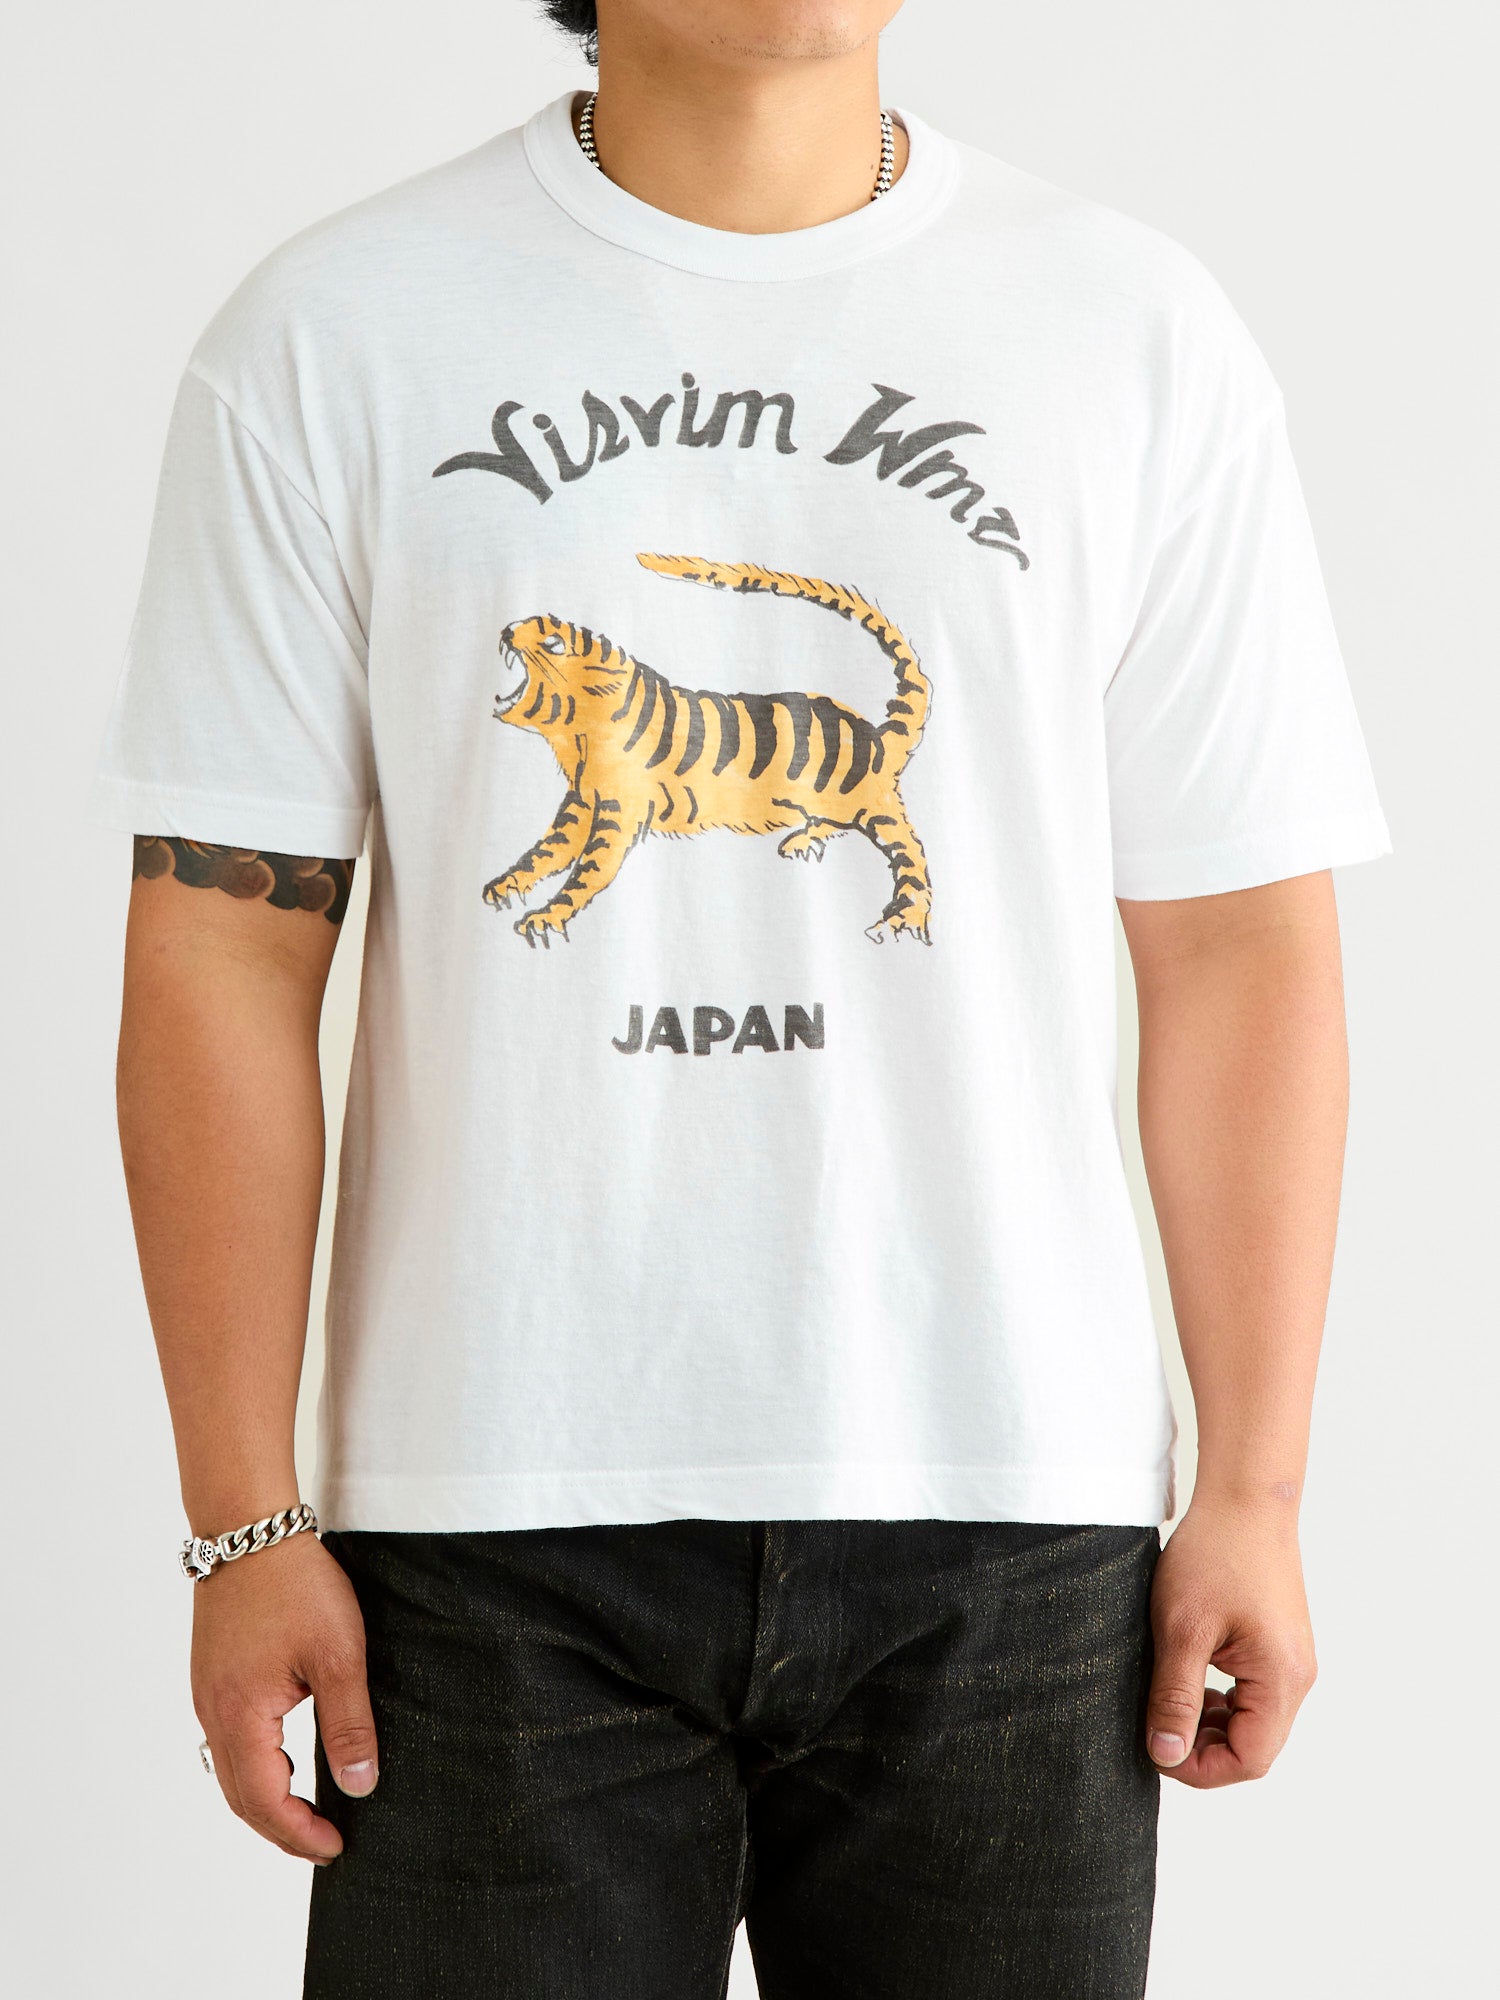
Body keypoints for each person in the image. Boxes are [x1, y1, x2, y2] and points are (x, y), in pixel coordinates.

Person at [91, 2, 1389, 1993]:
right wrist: (239, 1519)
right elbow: (222, 943)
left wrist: (1258, 1486)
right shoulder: (332, 331)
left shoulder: (1134, 329)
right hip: (485, 1528)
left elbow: (1239, 940)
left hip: (1015, 1523)